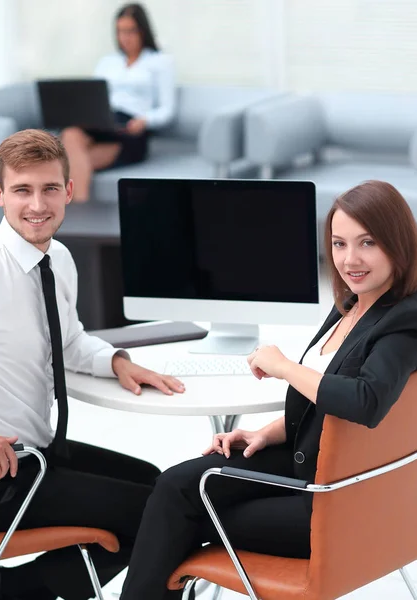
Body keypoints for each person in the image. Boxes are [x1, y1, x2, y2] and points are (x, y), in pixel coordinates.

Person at [0, 129, 185, 600]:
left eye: (49, 188)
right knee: (162, 513)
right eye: (22, 190)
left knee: (162, 487)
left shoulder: (57, 258)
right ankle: (21, 589)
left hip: (37, 456)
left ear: (69, 190)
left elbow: (69, 340)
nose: (37, 204)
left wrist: (116, 360)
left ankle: (13, 588)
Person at [119, 179, 417, 600]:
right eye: (339, 243)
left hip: (330, 499)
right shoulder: (351, 303)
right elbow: (326, 404)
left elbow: (365, 402)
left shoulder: (403, 323)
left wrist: (284, 368)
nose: (350, 259)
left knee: (176, 517)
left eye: (367, 243)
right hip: (304, 461)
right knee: (173, 486)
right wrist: (267, 432)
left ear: (398, 244)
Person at [61, 3, 175, 202]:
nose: (125, 37)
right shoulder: (108, 62)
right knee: (70, 134)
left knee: (69, 161)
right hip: (103, 122)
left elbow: (167, 109)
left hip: (132, 129)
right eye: (120, 31)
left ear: (143, 31)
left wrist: (145, 120)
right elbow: (93, 97)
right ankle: (82, 218)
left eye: (131, 31)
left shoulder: (160, 62)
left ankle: (75, 217)